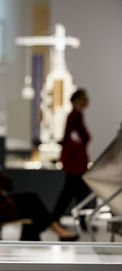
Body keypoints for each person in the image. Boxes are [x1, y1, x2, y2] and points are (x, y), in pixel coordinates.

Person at [0, 127, 79, 241]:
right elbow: (8, 184)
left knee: (32, 202)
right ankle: (53, 232)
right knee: (33, 202)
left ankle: (41, 234)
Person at [52, 89, 92, 227]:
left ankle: (58, 218)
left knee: (71, 192)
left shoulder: (75, 115)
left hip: (75, 160)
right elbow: (78, 136)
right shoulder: (75, 115)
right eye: (84, 98)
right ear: (77, 100)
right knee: (76, 191)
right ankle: (77, 220)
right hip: (75, 161)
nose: (87, 101)